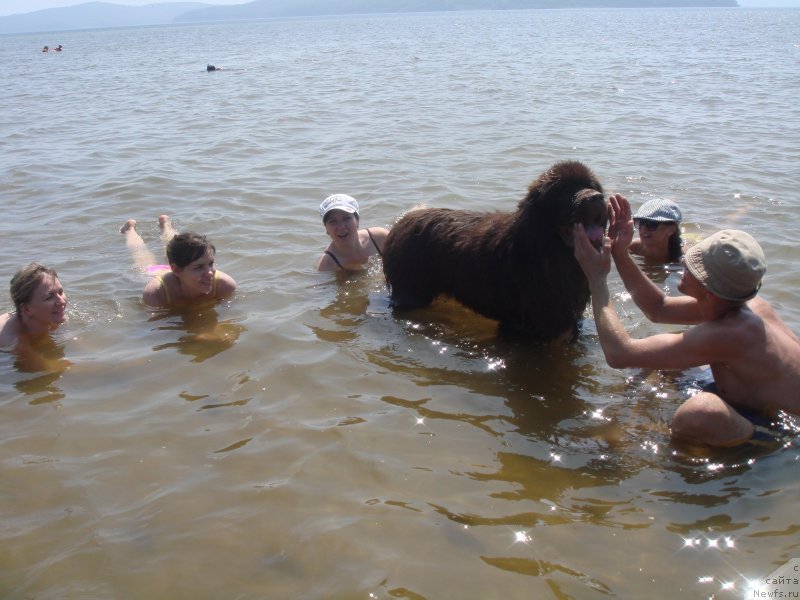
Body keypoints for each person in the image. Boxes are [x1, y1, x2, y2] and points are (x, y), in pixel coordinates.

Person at [573, 193, 800, 447]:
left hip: (778, 428)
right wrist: (619, 252)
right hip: (749, 397)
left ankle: (671, 454)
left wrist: (596, 278)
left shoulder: (730, 334)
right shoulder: (745, 304)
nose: (687, 263)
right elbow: (659, 308)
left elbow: (619, 354)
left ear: (708, 290)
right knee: (656, 357)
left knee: (700, 412)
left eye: (695, 264)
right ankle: (630, 421)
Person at [120, 216, 236, 308]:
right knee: (140, 253)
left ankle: (165, 224)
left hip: (183, 268)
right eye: (199, 267)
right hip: (154, 272)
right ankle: (129, 229)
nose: (210, 273)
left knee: (177, 248)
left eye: (210, 264)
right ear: (175, 270)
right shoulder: (156, 293)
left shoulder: (225, 285)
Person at [316, 194, 389, 272]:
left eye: (346, 218)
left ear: (357, 220)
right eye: (333, 221)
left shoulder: (380, 238)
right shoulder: (327, 265)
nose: (341, 227)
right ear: (326, 228)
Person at [0, 263, 67, 349]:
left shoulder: (55, 315)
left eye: (60, 292)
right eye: (49, 297)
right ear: (26, 309)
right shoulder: (11, 340)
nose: (61, 301)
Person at [627, 198, 683, 264]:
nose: (643, 229)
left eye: (652, 224)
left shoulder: (685, 257)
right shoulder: (631, 248)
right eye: (640, 222)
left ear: (671, 230)